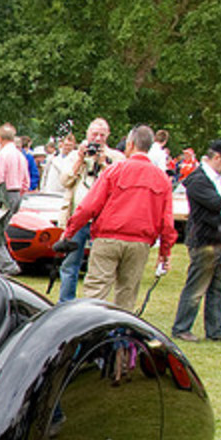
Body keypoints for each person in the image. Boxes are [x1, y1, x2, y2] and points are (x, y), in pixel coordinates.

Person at [55, 125, 176, 311]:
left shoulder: (115, 170)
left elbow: (89, 206)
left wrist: (69, 231)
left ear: (130, 144)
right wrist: (165, 252)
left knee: (96, 291)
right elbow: (167, 221)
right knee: (127, 294)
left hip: (108, 237)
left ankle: (90, 331)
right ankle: (120, 333)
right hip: (140, 242)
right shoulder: (161, 178)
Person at [170, 139, 221, 343]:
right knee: (196, 287)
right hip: (204, 241)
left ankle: (217, 330)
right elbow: (216, 203)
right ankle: (181, 327)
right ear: (218, 158)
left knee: (217, 288)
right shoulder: (198, 180)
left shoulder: (218, 180)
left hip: (220, 238)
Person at [57, 118, 125, 300]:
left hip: (103, 221)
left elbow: (119, 185)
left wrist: (103, 163)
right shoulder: (75, 155)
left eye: (102, 135)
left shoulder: (117, 158)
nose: (98, 138)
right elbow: (64, 181)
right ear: (87, 134)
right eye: (94, 134)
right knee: (70, 264)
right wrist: (80, 160)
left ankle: (94, 305)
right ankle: (65, 304)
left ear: (108, 136)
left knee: (99, 267)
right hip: (77, 218)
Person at [0, 123, 29, 275]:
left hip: (3, 196)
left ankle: (8, 265)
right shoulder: (20, 156)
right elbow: (26, 181)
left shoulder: (2, 155)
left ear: (0, 138)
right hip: (17, 195)